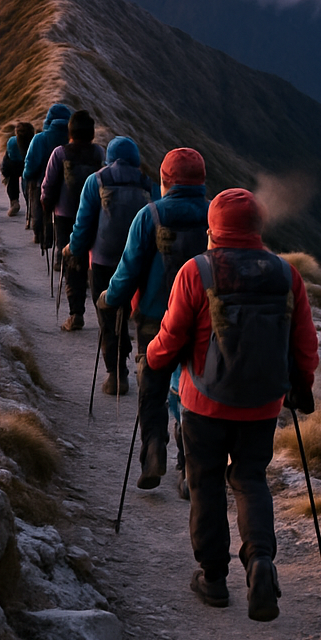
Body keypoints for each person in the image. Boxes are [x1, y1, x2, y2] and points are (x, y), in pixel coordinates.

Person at [146, 188, 319, 622]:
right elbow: (304, 343)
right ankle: (260, 560)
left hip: (204, 401)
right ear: (258, 226)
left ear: (214, 227)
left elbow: (172, 335)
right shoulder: (287, 274)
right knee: (250, 478)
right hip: (263, 403)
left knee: (204, 481)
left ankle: (214, 578)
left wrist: (153, 358)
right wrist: (301, 386)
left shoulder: (196, 271)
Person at [99, 148, 209, 487]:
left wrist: (111, 298)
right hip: (204, 321)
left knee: (152, 383)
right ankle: (188, 467)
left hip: (154, 316)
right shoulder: (214, 214)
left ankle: (153, 451)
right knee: (194, 388)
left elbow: (129, 268)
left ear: (165, 180)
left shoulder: (150, 215)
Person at [65, 136, 159, 390]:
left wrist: (74, 250)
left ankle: (116, 375)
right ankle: (142, 365)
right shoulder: (147, 182)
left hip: (102, 260)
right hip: (139, 262)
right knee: (130, 313)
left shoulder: (96, 180)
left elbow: (83, 223)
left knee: (107, 315)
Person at [41, 110, 105, 330]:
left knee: (71, 261)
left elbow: (49, 184)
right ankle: (104, 313)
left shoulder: (60, 153)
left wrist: (46, 205)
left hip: (65, 215)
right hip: (94, 214)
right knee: (94, 260)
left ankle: (76, 313)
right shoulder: (99, 152)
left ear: (70, 132)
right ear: (91, 133)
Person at [23, 103, 71, 249]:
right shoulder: (73, 139)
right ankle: (62, 246)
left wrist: (27, 176)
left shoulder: (40, 139)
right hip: (70, 187)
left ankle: (41, 236)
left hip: (41, 184)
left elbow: (31, 165)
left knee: (40, 211)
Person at [1, 121, 35, 217]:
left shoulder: (12, 141)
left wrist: (5, 172)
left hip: (14, 166)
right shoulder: (35, 141)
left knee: (12, 180)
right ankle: (31, 206)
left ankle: (14, 201)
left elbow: (6, 158)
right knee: (28, 182)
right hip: (28, 165)